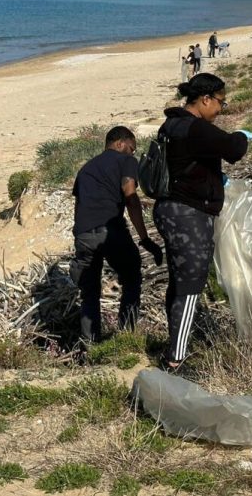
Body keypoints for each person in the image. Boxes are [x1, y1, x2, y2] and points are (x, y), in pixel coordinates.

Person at [152, 74, 252, 369]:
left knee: (179, 280)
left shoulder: (170, 124)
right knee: (191, 284)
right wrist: (242, 136)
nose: (221, 108)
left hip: (169, 210)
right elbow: (233, 149)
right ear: (205, 99)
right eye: (221, 102)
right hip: (187, 214)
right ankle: (176, 361)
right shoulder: (194, 128)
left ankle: (175, 346)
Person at [70, 126, 163, 343]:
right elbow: (130, 195)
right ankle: (126, 338)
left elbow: (78, 206)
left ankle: (90, 346)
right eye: (131, 148)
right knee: (132, 277)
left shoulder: (86, 168)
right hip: (110, 230)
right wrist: (145, 238)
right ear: (120, 144)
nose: (132, 153)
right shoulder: (126, 161)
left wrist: (79, 235)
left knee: (89, 292)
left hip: (83, 233)